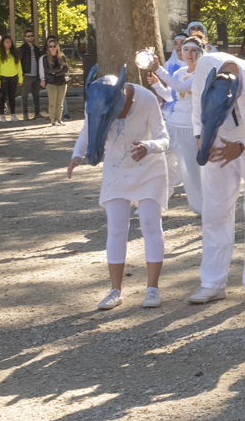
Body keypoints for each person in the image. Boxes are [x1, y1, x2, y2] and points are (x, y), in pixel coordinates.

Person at [67, 67, 170, 310]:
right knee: (115, 228)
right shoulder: (96, 98)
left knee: (149, 224)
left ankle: (152, 289)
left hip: (148, 168)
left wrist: (149, 145)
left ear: (123, 96)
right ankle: (115, 290)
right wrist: (77, 155)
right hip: (115, 168)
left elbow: (164, 137)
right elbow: (87, 130)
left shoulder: (145, 99)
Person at [187, 50, 245, 307]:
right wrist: (198, 136)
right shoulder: (205, 65)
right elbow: (195, 100)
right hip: (215, 142)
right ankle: (213, 283)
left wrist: (242, 146)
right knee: (214, 213)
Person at [147, 38, 204, 215]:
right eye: (185, 49)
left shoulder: (202, 73)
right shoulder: (179, 72)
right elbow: (171, 96)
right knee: (157, 162)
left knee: (190, 171)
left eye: (193, 50)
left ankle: (201, 207)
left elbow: (180, 86)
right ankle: (155, 203)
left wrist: (159, 69)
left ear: (200, 53)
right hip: (170, 125)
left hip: (189, 127)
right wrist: (156, 83)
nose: (188, 53)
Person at [0, 36, 22, 122]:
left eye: (10, 42)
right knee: (3, 96)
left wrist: (20, 79)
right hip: (3, 77)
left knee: (12, 96)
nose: (9, 44)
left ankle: (13, 114)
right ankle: (2, 115)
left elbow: (19, 67)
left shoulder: (14, 53)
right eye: (7, 42)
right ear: (2, 43)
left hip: (13, 77)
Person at [43, 35, 70, 126]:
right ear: (48, 47)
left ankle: (59, 119)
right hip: (51, 82)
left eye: (54, 46)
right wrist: (59, 69)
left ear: (57, 46)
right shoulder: (45, 58)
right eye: (50, 46)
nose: (52, 48)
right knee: (52, 102)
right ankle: (52, 120)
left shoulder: (61, 56)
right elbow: (48, 70)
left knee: (60, 102)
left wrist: (56, 72)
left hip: (62, 82)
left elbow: (66, 68)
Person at [18, 29, 44, 121]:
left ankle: (37, 113)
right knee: (24, 96)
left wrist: (40, 75)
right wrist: (21, 74)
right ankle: (25, 114)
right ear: (25, 38)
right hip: (27, 75)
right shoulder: (21, 49)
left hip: (36, 75)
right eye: (28, 36)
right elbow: (18, 63)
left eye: (32, 35)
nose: (30, 37)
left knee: (36, 95)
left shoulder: (37, 49)